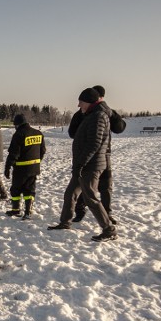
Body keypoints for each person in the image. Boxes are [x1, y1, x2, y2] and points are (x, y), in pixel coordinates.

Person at [48, 87, 118, 242]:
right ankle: (65, 222)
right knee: (70, 193)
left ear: (88, 101)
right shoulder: (91, 115)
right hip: (84, 165)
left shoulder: (98, 116)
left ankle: (108, 229)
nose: (79, 105)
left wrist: (81, 163)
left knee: (91, 198)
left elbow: (94, 144)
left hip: (90, 165)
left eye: (81, 101)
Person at [73, 85, 126, 224]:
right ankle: (80, 209)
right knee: (86, 186)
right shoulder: (83, 114)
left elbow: (120, 128)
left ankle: (107, 214)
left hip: (105, 154)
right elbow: (73, 133)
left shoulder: (106, 113)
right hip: (89, 156)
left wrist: (112, 114)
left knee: (106, 186)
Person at [4, 113, 45, 220]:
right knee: (30, 190)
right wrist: (36, 162)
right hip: (34, 168)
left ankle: (16, 210)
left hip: (21, 169)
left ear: (17, 124)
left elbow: (13, 154)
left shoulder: (19, 134)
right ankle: (28, 212)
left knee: (16, 189)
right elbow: (43, 150)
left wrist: (7, 167)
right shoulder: (38, 133)